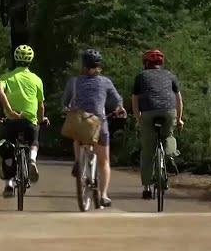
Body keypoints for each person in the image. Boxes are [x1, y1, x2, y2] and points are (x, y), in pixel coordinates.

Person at [62, 49, 127, 207]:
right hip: (98, 124)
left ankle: (78, 161)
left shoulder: (74, 81)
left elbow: (64, 102)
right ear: (99, 65)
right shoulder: (105, 82)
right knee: (104, 161)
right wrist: (120, 108)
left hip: (80, 122)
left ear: (83, 64)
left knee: (77, 134)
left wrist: (65, 109)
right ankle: (104, 195)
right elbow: (117, 100)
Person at [0, 44, 49, 198]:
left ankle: (9, 184)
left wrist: (10, 110)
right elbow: (40, 105)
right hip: (29, 120)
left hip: (11, 121)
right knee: (34, 141)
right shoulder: (37, 80)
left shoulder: (6, 77)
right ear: (31, 60)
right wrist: (41, 119)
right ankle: (32, 159)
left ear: (15, 58)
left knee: (6, 148)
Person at [131, 49, 184, 199]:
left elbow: (135, 99)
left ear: (145, 63)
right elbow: (178, 99)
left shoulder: (141, 76)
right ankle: (170, 154)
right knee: (168, 136)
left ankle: (147, 188)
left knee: (148, 150)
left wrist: (138, 118)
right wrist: (179, 119)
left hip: (148, 113)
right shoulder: (170, 75)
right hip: (168, 112)